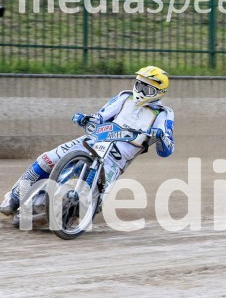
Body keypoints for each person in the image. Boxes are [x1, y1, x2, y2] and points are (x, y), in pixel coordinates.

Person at [0, 66, 175, 219]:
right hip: (91, 142)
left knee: (95, 205)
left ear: (159, 93)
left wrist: (161, 136)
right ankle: (14, 197)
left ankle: (62, 214)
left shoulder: (163, 114)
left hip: (114, 160)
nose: (141, 92)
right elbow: (100, 116)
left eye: (148, 89)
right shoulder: (124, 97)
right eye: (139, 85)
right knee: (46, 159)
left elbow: (166, 151)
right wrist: (86, 118)